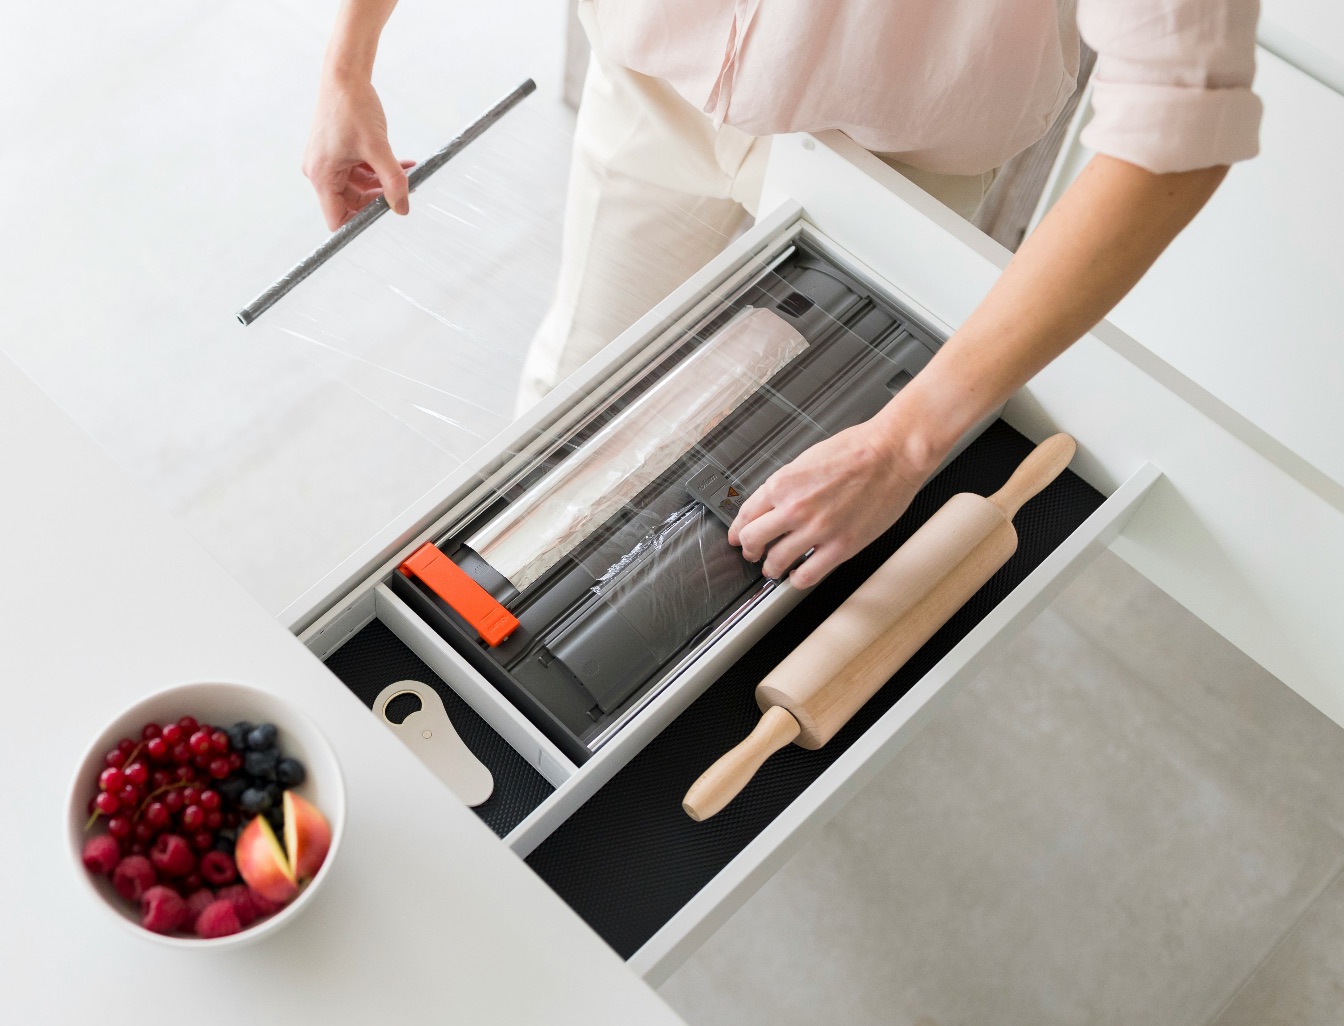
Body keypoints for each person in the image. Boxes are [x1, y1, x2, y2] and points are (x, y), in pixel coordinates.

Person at [302, 0, 1260, 589]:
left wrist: (908, 440)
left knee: (783, 507)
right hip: (655, 72)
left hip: (895, 161)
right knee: (572, 408)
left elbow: (1180, 126)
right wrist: (348, 58)